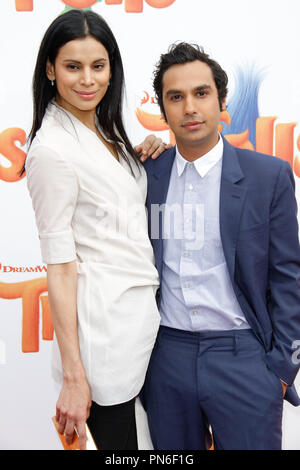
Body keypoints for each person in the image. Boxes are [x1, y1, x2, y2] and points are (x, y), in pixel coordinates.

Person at [142, 42, 300, 450]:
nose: (189, 108)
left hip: (243, 356)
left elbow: (288, 278)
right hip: (166, 357)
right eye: (175, 97)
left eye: (201, 93)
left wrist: (282, 369)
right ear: (163, 109)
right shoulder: (145, 175)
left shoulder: (268, 176)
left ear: (222, 101)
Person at [24, 9, 167, 451]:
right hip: (100, 339)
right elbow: (61, 267)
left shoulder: (105, 128)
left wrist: (148, 149)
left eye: (98, 66)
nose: (87, 79)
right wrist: (73, 375)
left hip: (138, 323)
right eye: (72, 66)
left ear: (111, 70)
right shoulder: (51, 150)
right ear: (50, 70)